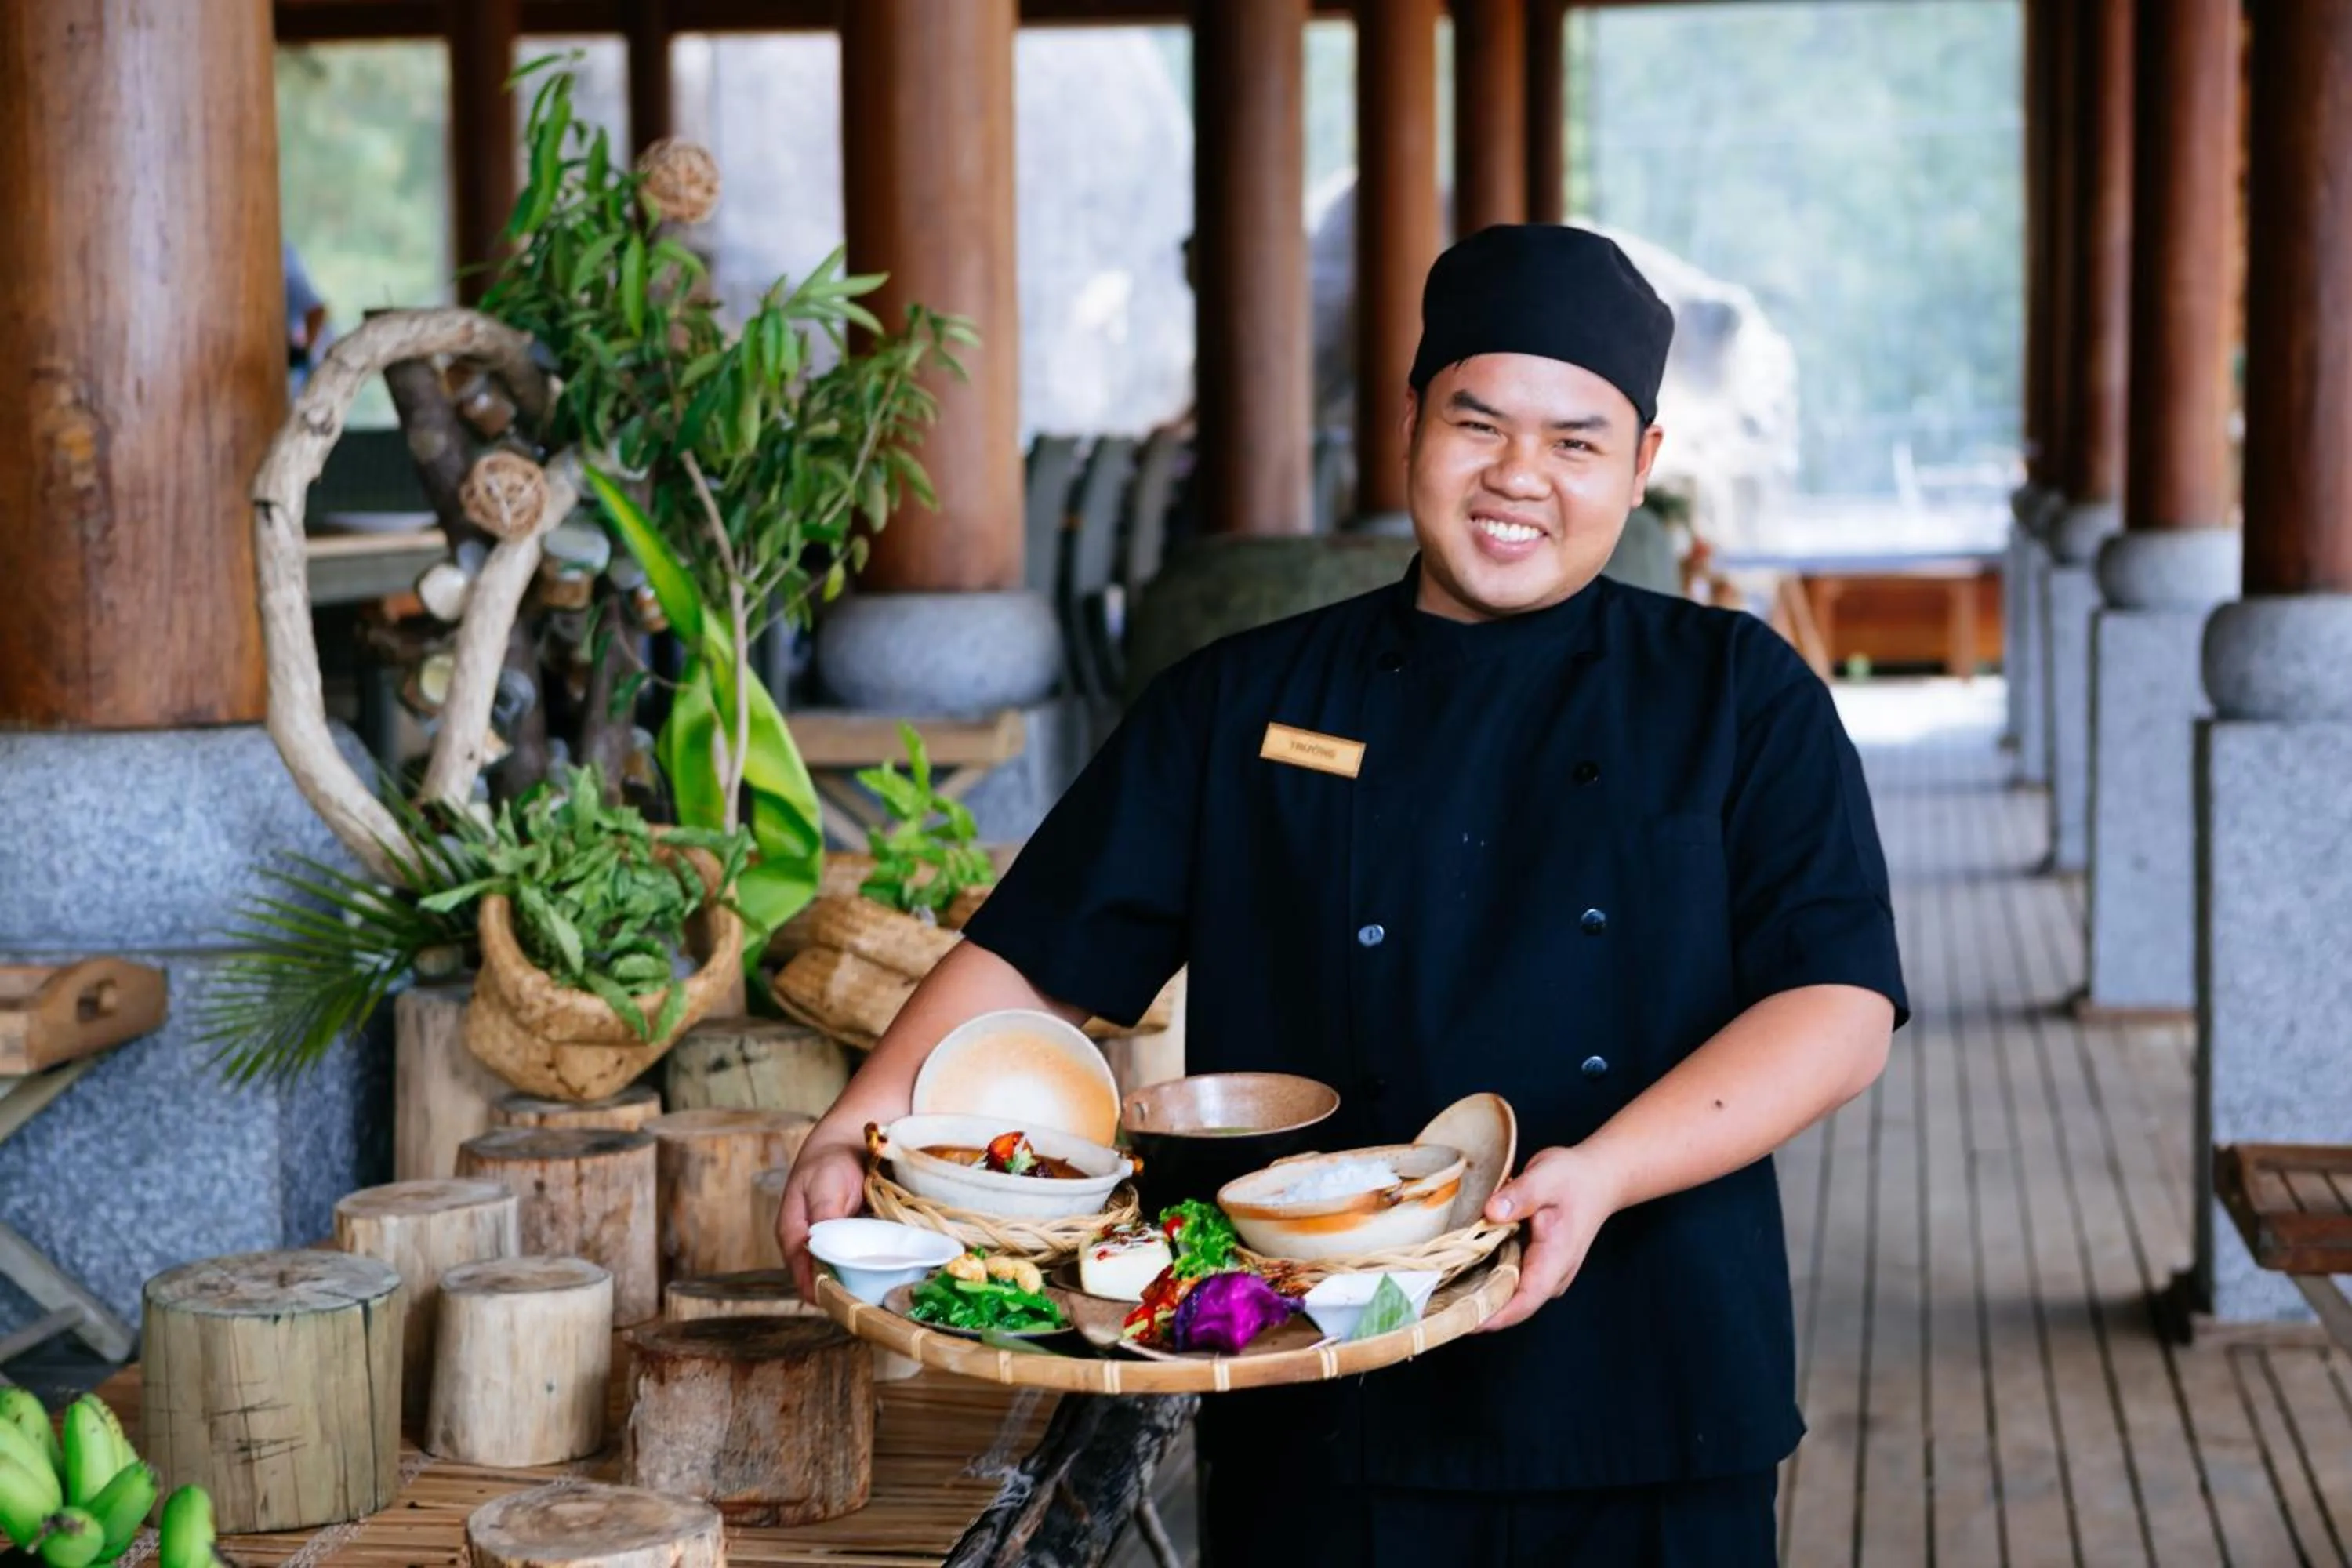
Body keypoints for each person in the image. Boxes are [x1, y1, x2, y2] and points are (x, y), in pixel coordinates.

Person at [779, 224, 1907, 1567]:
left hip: (1652, 1385)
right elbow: (1038, 954)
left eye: (1576, 442)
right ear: (1410, 420)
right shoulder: (1239, 701)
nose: (1519, 477)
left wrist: (1603, 1174)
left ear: (1643, 463)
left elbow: (1839, 1007)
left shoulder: (1737, 694)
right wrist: (863, 1120)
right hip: (1318, 1402)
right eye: (1478, 423)